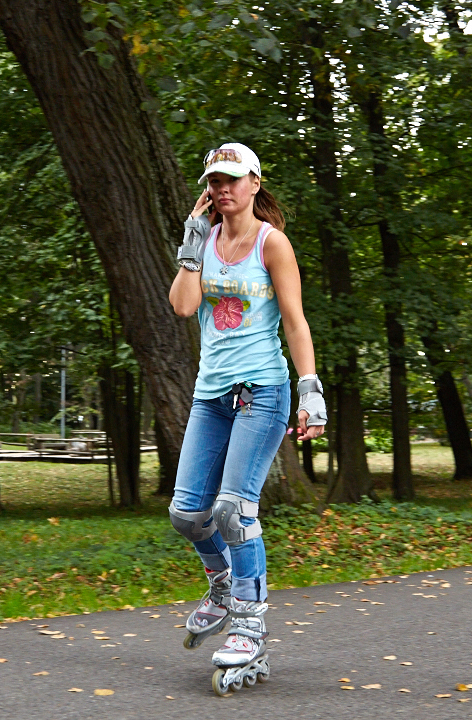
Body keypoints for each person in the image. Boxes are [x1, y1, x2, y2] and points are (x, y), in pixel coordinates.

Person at [166, 143, 327, 689]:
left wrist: (310, 391)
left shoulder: (271, 243)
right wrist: (191, 241)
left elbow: (296, 322)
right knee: (188, 514)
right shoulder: (204, 243)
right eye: (214, 179)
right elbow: (184, 306)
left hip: (262, 390)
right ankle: (220, 583)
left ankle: (248, 623)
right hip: (210, 394)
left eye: (233, 179)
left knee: (234, 510)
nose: (222, 188)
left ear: (255, 183)